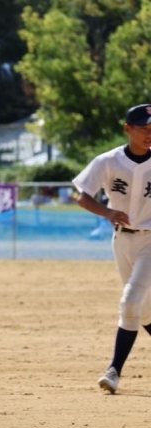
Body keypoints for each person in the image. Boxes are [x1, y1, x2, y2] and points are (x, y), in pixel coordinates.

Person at [72, 103, 151, 394]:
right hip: (121, 240)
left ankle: (114, 370)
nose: (149, 134)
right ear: (128, 129)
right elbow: (83, 197)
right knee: (144, 312)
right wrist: (107, 213)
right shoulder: (108, 161)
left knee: (130, 302)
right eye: (144, 128)